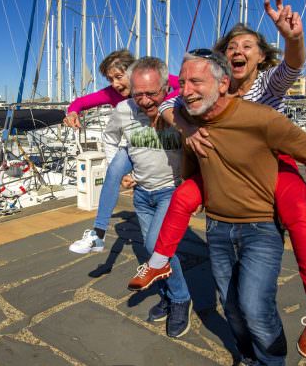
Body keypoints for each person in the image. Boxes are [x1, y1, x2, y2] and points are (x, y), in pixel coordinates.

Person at [132, 0, 306, 362]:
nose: (238, 50)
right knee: (184, 200)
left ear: (260, 57)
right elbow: (165, 105)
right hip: (224, 176)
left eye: (248, 46)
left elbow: (293, 65)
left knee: (303, 219)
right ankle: (159, 262)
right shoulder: (207, 93)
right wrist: (187, 128)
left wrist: (292, 38)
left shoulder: (267, 87)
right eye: (231, 46)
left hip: (272, 168)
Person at [65, 50, 207, 254]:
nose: (114, 84)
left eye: (118, 77)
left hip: (161, 146)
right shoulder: (113, 95)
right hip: (137, 143)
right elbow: (82, 102)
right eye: (110, 79)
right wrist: (73, 111)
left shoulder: (156, 83)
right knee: (113, 171)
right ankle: (99, 232)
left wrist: (164, 107)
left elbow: (185, 86)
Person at [104, 56, 193, 338]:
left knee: (158, 246)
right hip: (142, 195)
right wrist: (118, 172)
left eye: (151, 94)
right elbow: (108, 138)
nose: (144, 101)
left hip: (171, 191)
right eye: (138, 93)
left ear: (166, 87)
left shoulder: (179, 110)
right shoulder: (123, 110)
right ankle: (167, 295)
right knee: (155, 250)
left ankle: (180, 298)